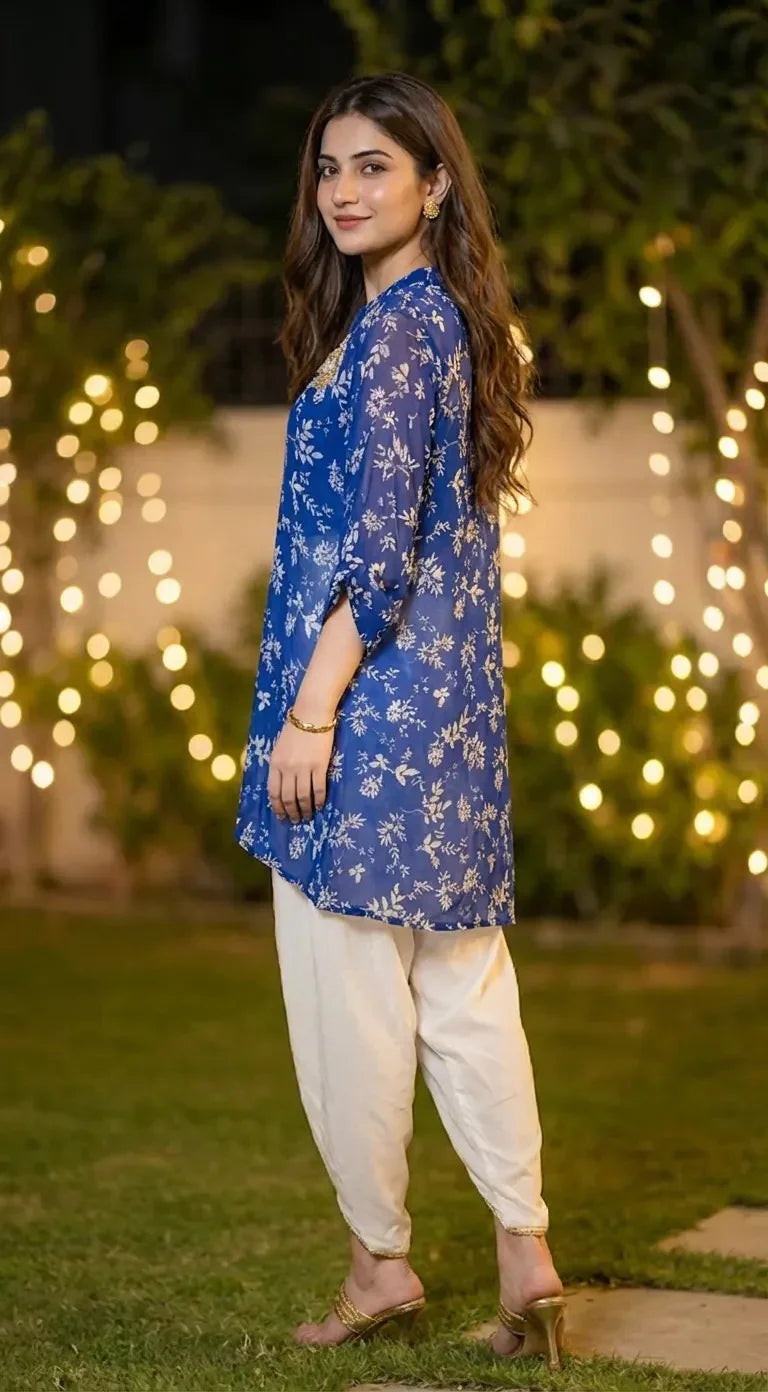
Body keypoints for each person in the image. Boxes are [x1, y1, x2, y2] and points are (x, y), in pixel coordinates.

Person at [234, 70, 567, 1369]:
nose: (342, 191)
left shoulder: (400, 332)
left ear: (436, 184)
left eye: (375, 166)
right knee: (465, 983)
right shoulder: (444, 327)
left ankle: (380, 1265)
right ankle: (524, 1253)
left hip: (362, 717)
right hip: (446, 731)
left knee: (348, 990)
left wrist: (311, 714)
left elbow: (378, 561)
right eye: (328, 169)